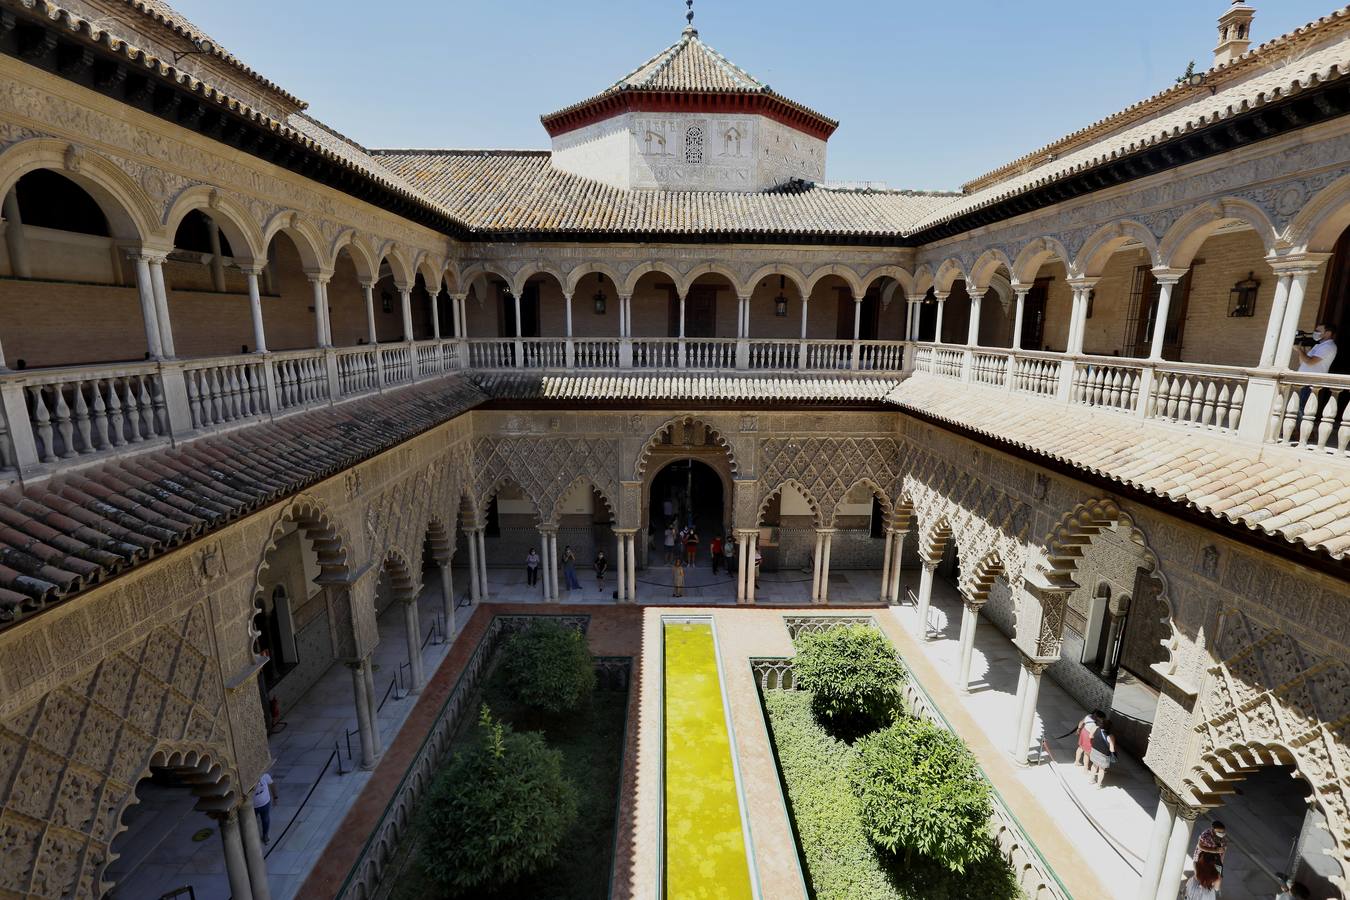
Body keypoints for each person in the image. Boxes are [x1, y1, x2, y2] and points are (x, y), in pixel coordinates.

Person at [1185, 831, 1223, 900]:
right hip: (1206, 895)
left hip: (1193, 888)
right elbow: (1216, 888)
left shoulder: (1196, 864)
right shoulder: (1217, 876)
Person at [1088, 713, 1116, 786]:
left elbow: (1091, 736)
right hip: (1103, 755)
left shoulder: (1096, 728)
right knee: (1101, 769)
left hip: (1094, 751)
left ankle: (1091, 780)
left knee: (1094, 765)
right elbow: (1112, 749)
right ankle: (1098, 784)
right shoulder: (1110, 736)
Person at [252, 771, 276, 845]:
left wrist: (275, 797)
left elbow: (272, 784)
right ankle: (251, 838)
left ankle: (265, 835)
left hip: (265, 804)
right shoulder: (248, 781)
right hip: (253, 807)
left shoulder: (264, 776)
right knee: (251, 822)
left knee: (265, 820)